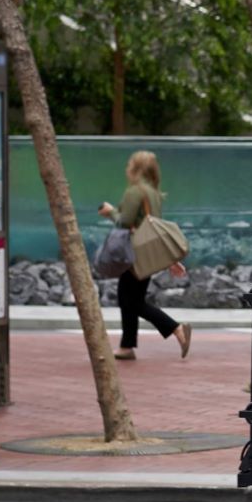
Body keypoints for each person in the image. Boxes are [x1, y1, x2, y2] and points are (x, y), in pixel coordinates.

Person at [99, 149, 192, 362]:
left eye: (129, 164)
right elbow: (155, 229)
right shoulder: (154, 193)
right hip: (147, 253)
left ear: (135, 168)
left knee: (130, 300)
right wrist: (171, 260)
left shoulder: (135, 191)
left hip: (134, 253)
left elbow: (124, 221)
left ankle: (176, 328)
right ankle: (126, 346)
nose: (126, 168)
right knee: (131, 298)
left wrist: (109, 211)